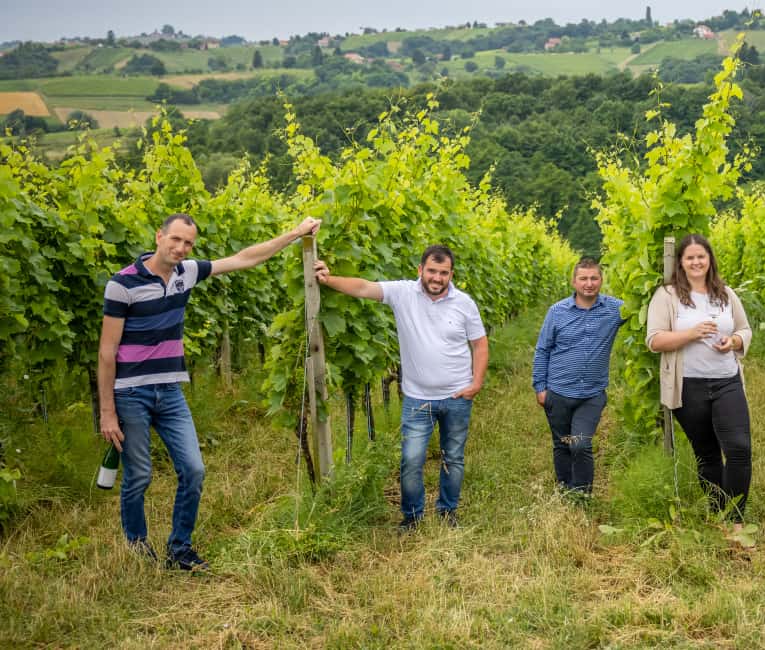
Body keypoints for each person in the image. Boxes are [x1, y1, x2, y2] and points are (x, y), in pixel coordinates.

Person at [99, 212, 321, 570]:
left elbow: (244, 258)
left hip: (170, 391)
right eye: (175, 239)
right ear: (159, 236)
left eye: (188, 243)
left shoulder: (187, 272)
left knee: (194, 469)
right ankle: (137, 546)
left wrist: (295, 234)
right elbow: (107, 352)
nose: (181, 248)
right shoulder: (121, 284)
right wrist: (107, 412)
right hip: (131, 394)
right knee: (138, 475)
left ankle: (179, 548)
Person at [313, 245, 487, 531]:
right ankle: (412, 517)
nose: (437, 278)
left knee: (453, 458)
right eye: (432, 271)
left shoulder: (464, 303)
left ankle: (447, 512)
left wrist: (476, 382)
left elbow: (480, 344)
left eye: (443, 273)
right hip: (417, 398)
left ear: (451, 275)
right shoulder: (403, 293)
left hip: (457, 396)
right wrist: (329, 280)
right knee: (410, 460)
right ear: (420, 270)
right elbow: (363, 287)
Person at [646, 234, 753, 528]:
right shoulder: (667, 296)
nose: (696, 262)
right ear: (681, 262)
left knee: (739, 448)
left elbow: (745, 330)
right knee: (707, 454)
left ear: (709, 260)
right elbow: (654, 340)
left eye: (701, 256)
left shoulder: (726, 294)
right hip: (688, 386)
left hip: (727, 382)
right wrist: (690, 334)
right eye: (690, 257)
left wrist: (733, 341)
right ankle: (718, 512)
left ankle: (736, 520)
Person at [532, 257, 625, 496]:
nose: (589, 283)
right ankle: (565, 491)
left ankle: (582, 495)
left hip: (591, 394)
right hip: (558, 391)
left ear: (601, 280)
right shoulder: (557, 311)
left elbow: (646, 312)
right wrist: (540, 387)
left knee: (581, 444)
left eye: (594, 278)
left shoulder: (616, 309)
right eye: (583, 278)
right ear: (574, 281)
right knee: (562, 443)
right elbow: (543, 349)